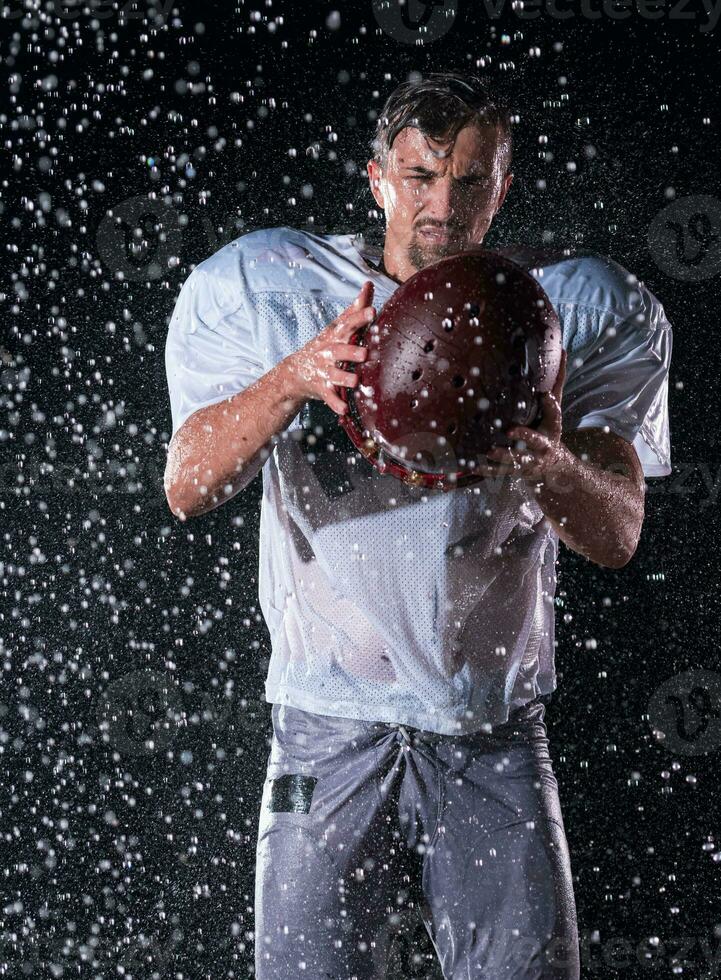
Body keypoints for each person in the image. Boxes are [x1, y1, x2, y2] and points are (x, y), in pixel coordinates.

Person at [164, 72, 672, 979]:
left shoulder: (564, 311)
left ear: (503, 188)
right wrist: (292, 379)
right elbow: (187, 485)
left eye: (470, 180)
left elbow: (617, 533)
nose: (442, 204)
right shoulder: (278, 289)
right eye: (419, 176)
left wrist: (549, 464)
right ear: (375, 180)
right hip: (325, 726)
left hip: (489, 730)